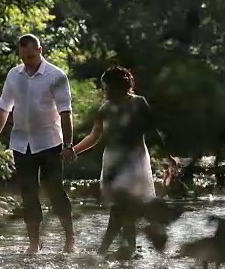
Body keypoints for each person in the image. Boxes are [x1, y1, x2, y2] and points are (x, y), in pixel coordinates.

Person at [72, 66, 177, 258]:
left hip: (134, 159)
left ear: (119, 87)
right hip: (113, 160)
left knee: (122, 205)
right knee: (123, 206)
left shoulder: (138, 103)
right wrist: (74, 151)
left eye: (106, 88)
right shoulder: (105, 108)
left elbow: (152, 132)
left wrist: (166, 157)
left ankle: (105, 249)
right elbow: (94, 136)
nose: (104, 92)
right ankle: (129, 248)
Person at [0, 34, 77, 254]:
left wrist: (68, 145)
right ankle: (34, 243)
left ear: (40, 50)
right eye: (24, 56)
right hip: (21, 143)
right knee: (28, 193)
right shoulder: (14, 75)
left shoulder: (56, 76)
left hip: (50, 143)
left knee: (55, 191)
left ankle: (69, 239)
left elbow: (65, 112)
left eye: (31, 56)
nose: (28, 61)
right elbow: (3, 108)